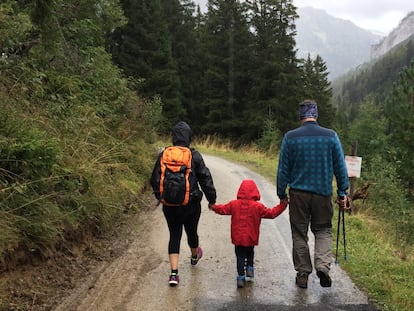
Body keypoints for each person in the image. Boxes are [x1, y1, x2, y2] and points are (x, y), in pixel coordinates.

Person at [276, 99, 349, 289]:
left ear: (301, 116)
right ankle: (322, 266)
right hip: (323, 194)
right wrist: (343, 191)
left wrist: (281, 192)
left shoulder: (290, 138)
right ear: (315, 114)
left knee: (299, 233)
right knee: (323, 230)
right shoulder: (331, 136)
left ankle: (302, 273)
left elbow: (283, 169)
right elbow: (340, 167)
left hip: (298, 194)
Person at [150, 121, 216, 287]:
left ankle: (174, 274)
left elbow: (154, 179)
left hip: (169, 205)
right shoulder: (194, 155)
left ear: (173, 137)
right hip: (191, 204)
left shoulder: (164, 154)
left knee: (174, 235)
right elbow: (205, 178)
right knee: (191, 232)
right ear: (189, 137)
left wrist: (162, 196)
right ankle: (194, 256)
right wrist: (211, 199)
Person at [210, 179, 288, 288]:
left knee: (240, 256)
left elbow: (223, 209)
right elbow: (271, 213)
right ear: (255, 192)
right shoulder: (258, 206)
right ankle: (250, 268)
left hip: (238, 237)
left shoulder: (234, 204)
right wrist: (282, 205)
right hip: (251, 237)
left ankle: (241, 277)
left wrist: (213, 207)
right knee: (250, 252)